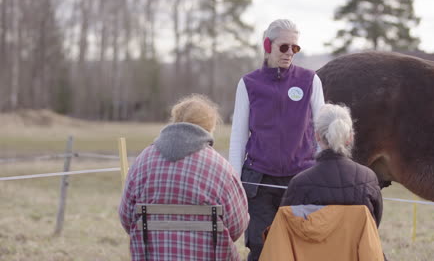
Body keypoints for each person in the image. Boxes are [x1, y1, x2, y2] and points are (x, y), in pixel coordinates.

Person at [229, 19, 325, 260]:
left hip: (301, 180)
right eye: (284, 47)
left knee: (301, 248)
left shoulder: (310, 80)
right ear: (267, 45)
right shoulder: (248, 84)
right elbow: (238, 136)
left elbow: (323, 131)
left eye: (295, 48)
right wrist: (233, 181)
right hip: (259, 182)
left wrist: (325, 172)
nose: (290, 53)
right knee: (263, 248)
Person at [119, 94, 249, 261]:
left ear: (175, 121)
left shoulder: (142, 162)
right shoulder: (221, 168)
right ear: (209, 128)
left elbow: (126, 218)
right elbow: (237, 226)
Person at [281, 103, 383, 226]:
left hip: (312, 245)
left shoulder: (299, 183)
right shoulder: (369, 180)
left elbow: (288, 227)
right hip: (355, 246)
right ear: (350, 137)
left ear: (317, 136)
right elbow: (373, 225)